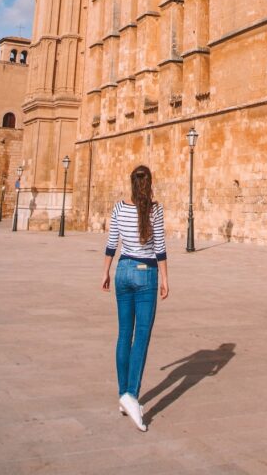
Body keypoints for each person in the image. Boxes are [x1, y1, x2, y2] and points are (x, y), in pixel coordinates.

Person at [101, 165, 168, 433]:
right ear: (149, 184)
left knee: (123, 335)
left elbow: (111, 243)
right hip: (146, 273)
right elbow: (160, 247)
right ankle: (131, 395)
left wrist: (105, 270)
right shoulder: (155, 210)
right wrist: (165, 278)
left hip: (123, 270)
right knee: (141, 337)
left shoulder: (119, 207)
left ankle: (123, 395)